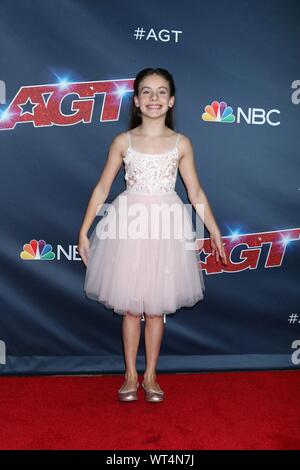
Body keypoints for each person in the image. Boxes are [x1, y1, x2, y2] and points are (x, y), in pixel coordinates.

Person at [78, 67, 227, 403]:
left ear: (171, 100)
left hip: (165, 226)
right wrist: (84, 230)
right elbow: (102, 187)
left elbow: (196, 193)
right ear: (136, 100)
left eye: (161, 92)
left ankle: (151, 376)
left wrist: (215, 231)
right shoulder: (123, 141)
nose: (154, 98)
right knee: (131, 307)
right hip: (129, 224)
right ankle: (130, 375)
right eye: (146, 92)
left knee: (156, 308)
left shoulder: (181, 143)